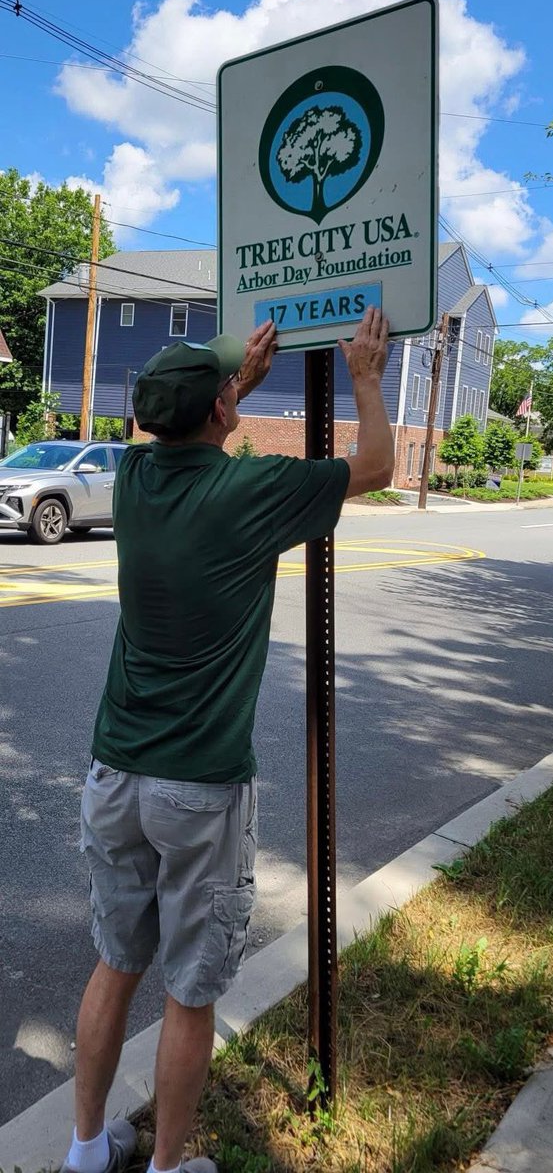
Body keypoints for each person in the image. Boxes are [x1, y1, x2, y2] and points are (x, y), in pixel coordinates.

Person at [61, 307, 395, 1173]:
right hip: (199, 788)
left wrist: (226, 386)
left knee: (113, 963)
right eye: (226, 390)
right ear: (217, 412)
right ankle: (170, 1168)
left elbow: (185, 421)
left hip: (114, 773)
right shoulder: (252, 492)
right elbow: (377, 466)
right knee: (190, 989)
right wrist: (363, 374)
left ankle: (86, 1149)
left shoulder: (133, 477)